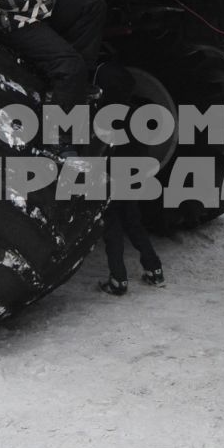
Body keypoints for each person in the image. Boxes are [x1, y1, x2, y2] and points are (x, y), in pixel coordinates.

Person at [92, 61, 164, 296]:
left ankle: (118, 279)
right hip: (133, 177)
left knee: (111, 227)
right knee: (133, 222)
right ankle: (154, 269)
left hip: (110, 179)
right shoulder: (138, 113)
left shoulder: (101, 116)